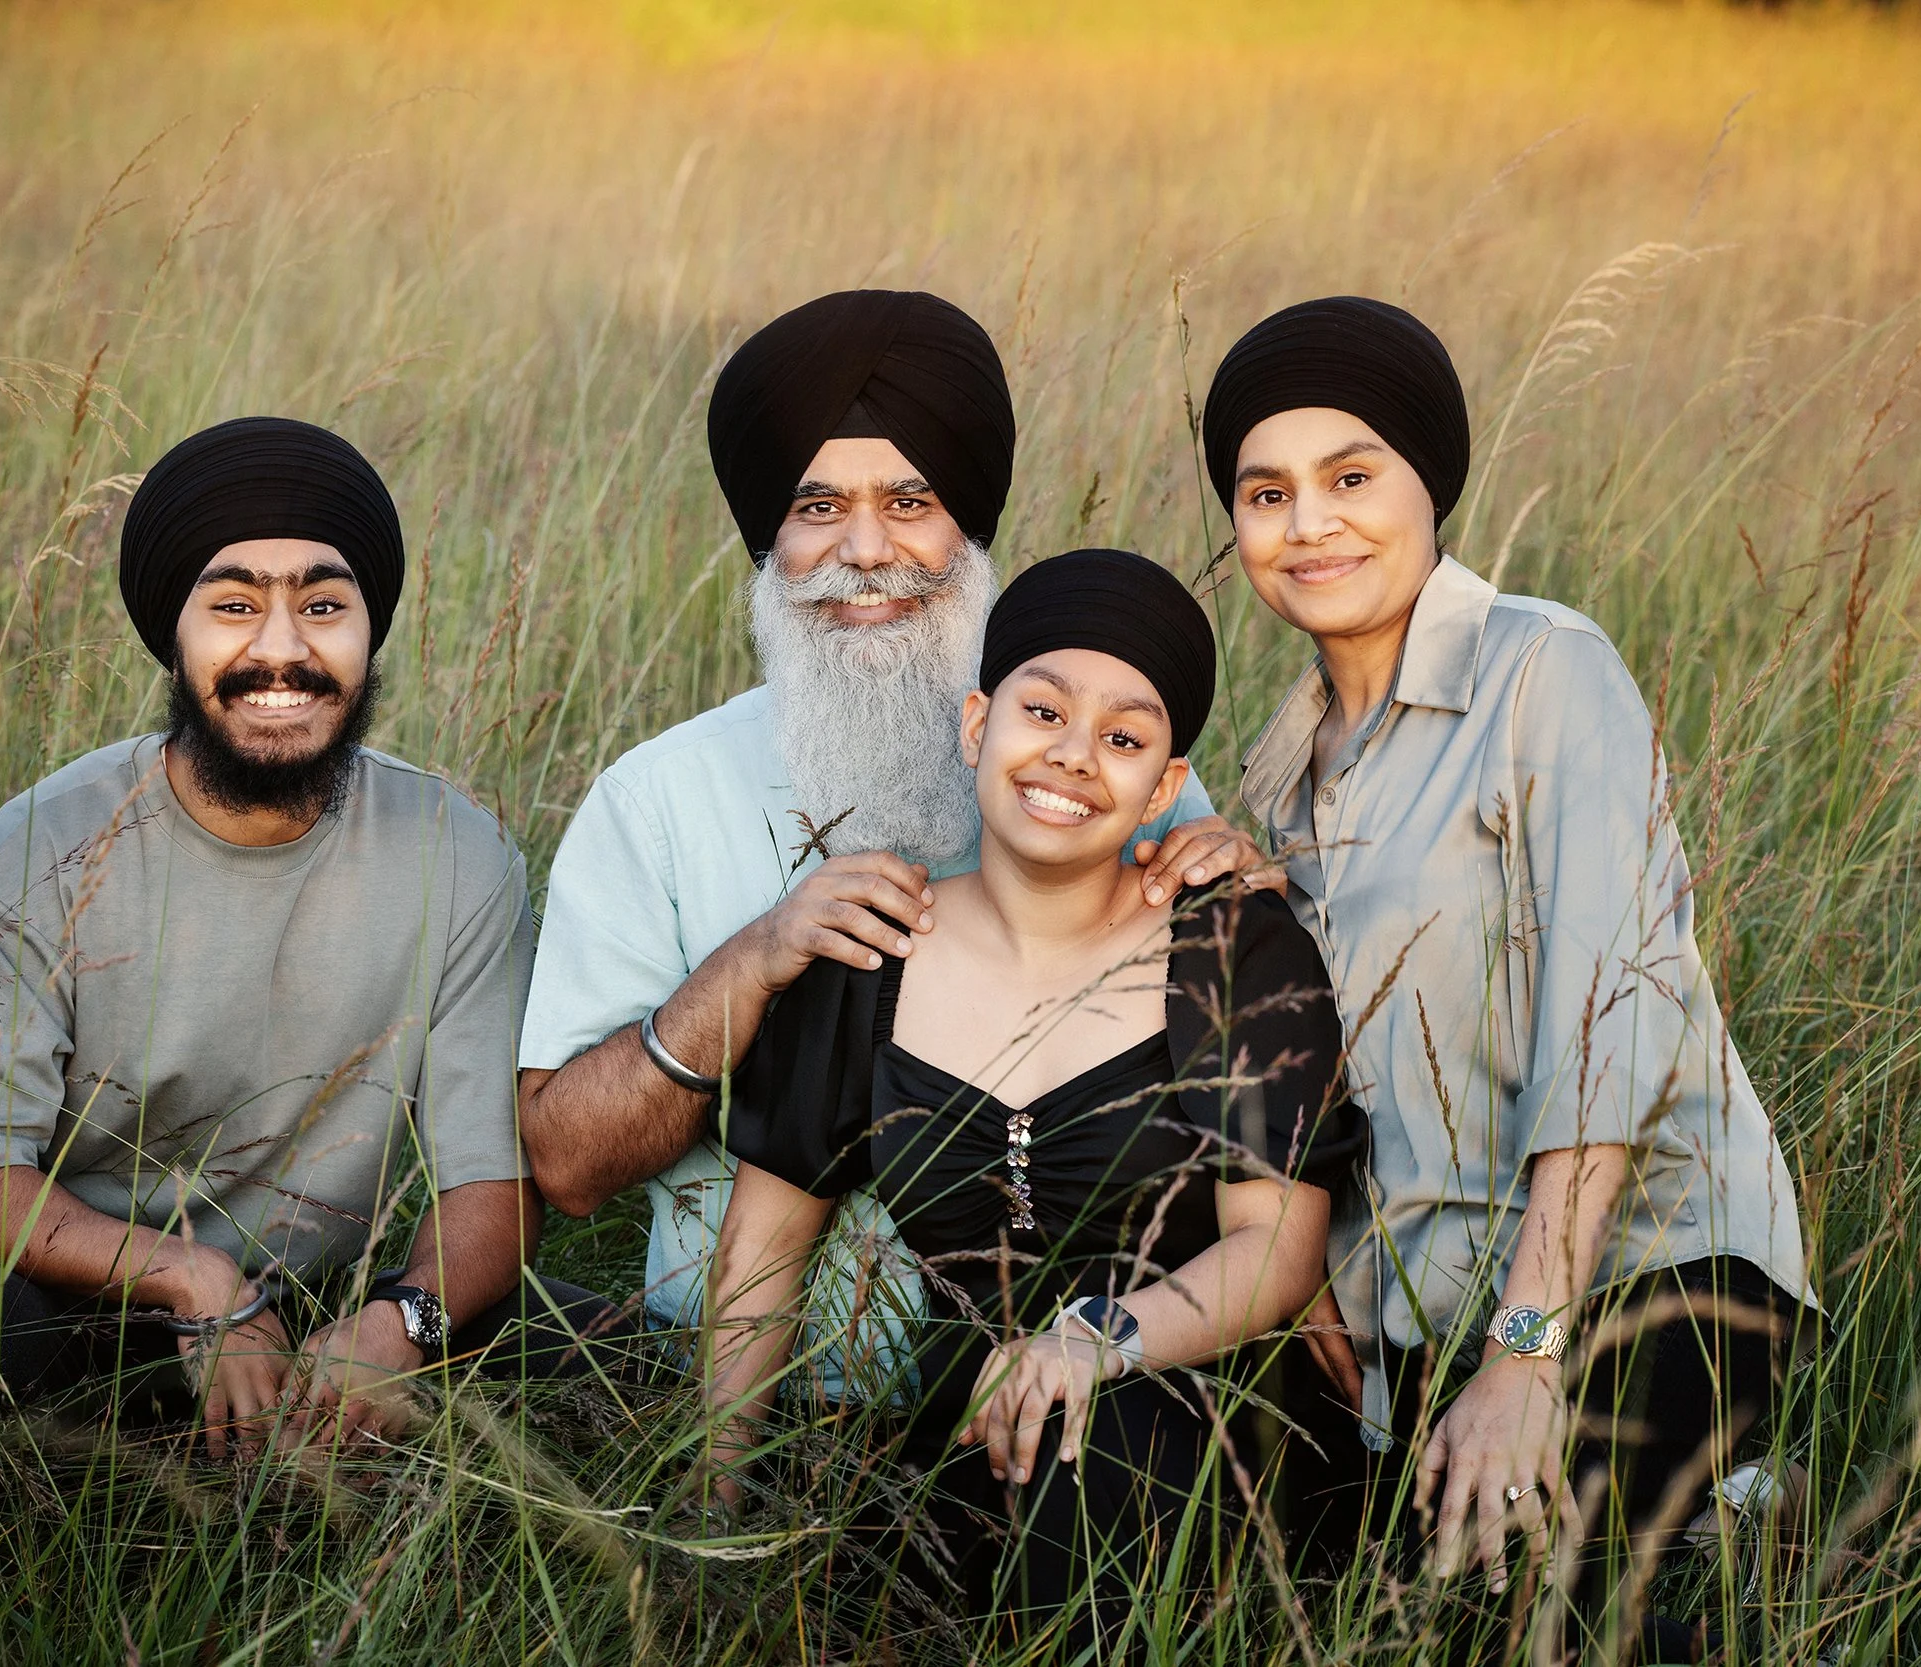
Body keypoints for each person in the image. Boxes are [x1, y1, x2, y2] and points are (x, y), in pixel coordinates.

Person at [1201, 298, 1816, 1645]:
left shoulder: (1545, 666)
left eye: (1351, 477)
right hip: (1415, 1302)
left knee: (1500, 1594)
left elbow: (1615, 1013)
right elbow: (1310, 1079)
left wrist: (1527, 1351)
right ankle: (1696, 1511)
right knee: (1281, 1576)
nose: (1310, 524)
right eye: (1266, 492)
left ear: (1431, 482)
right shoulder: (1275, 773)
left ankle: (1725, 1505)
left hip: (1650, 1271)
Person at [516, 291, 1263, 1399]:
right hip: (731, 1391)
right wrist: (750, 966)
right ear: (769, 538)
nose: (866, 552)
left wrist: (1243, 890)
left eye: (909, 500)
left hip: (1061, 1407)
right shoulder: (657, 799)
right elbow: (566, 1166)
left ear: (968, 527)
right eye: (817, 505)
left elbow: (1242, 1095)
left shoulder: (1090, 764)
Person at [0, 415, 618, 1459]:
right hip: (70, 1281)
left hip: (336, 1301)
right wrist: (193, 1278)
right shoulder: (37, 850)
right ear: (172, 637)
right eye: (233, 605)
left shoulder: (461, 857)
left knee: (617, 1369)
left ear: (370, 633)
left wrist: (399, 1324)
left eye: (324, 605)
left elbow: (488, 1186)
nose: (281, 650)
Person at [696, 548, 1368, 1644]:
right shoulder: (868, 955)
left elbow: (1278, 1251)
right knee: (854, 1595)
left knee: (1092, 1461)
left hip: (1203, 1412)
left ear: (1161, 784)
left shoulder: (1235, 944)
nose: (1070, 756)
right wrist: (708, 1511)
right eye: (1042, 709)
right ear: (976, 725)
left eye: (1121, 736)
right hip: (967, 1431)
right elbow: (761, 1259)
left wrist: (1092, 1338)